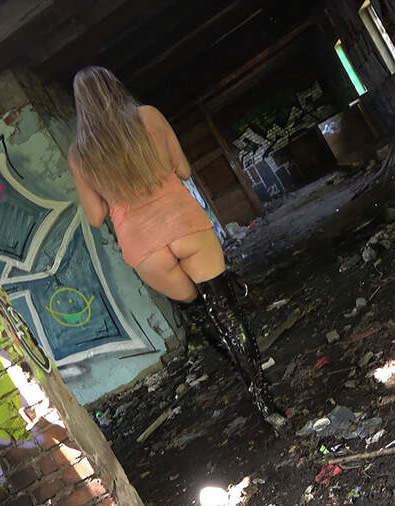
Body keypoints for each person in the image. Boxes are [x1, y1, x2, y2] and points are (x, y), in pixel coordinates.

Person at [68, 66, 287, 432]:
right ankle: (264, 401)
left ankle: (241, 373)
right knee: (227, 312)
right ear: (115, 87)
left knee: (201, 313)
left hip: (144, 248)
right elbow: (183, 169)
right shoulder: (148, 116)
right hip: (183, 223)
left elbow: (96, 215)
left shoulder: (80, 154)